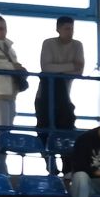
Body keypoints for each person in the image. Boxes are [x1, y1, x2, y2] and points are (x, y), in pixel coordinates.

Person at [36, 15, 85, 148]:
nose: (70, 32)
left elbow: (79, 71)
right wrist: (71, 66)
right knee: (44, 130)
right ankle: (48, 158)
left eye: (72, 29)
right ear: (58, 29)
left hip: (64, 98)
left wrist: (57, 70)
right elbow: (46, 68)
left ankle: (65, 159)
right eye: (67, 29)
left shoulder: (77, 45)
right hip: (44, 96)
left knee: (65, 130)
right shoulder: (48, 43)